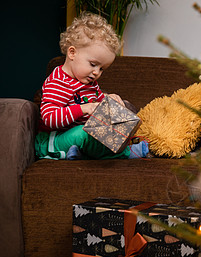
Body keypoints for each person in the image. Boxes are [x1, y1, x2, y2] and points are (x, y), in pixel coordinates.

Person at [35, 12, 148, 160]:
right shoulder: (58, 82)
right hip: (54, 140)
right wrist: (83, 108)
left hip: (79, 137)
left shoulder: (89, 83)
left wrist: (109, 99)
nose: (96, 73)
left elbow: (99, 106)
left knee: (119, 115)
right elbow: (49, 118)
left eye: (101, 69)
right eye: (93, 64)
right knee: (84, 133)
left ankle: (80, 153)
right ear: (72, 53)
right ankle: (127, 153)